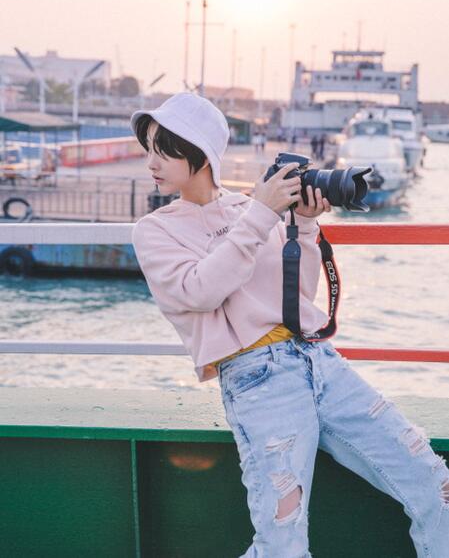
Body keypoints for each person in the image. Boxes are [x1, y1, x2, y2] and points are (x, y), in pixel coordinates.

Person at [130, 92, 449, 558]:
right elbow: (199, 290)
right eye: (149, 150)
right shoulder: (156, 229)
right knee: (283, 539)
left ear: (199, 152)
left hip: (319, 361)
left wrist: (304, 224)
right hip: (256, 377)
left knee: (436, 484)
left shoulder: (250, 208)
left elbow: (298, 297)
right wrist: (262, 214)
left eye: (163, 150)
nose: (151, 163)